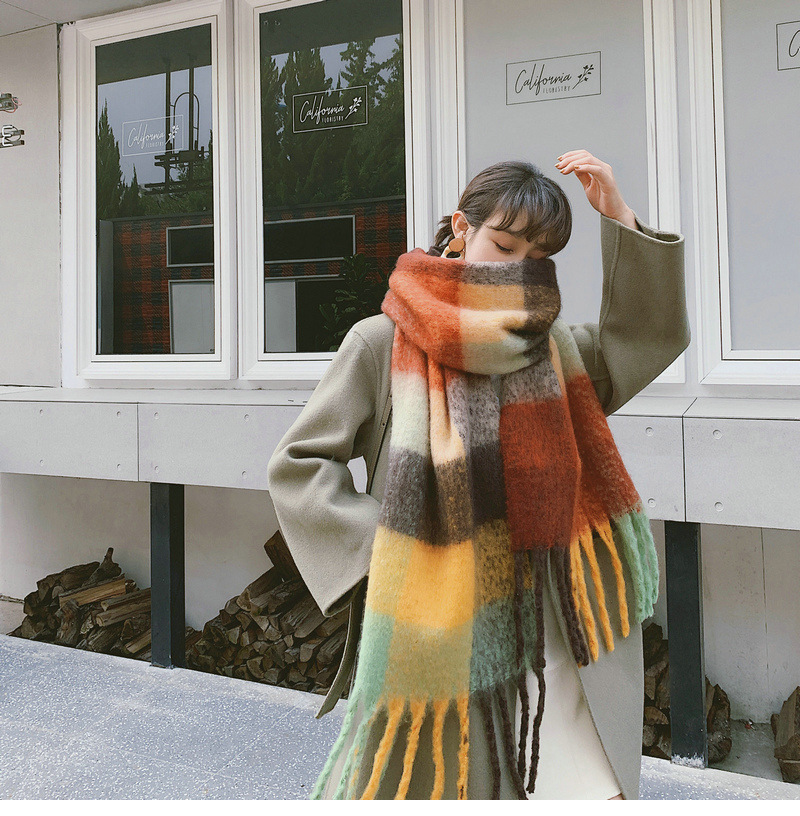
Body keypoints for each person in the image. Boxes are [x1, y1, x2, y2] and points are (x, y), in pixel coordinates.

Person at [267, 152, 690, 799]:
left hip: (559, 623)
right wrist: (390, 549)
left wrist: (620, 218)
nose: (517, 266)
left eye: (537, 255)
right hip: (443, 629)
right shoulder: (381, 343)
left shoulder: (553, 348)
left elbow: (645, 337)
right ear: (462, 228)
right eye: (505, 244)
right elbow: (300, 465)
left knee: (589, 789)